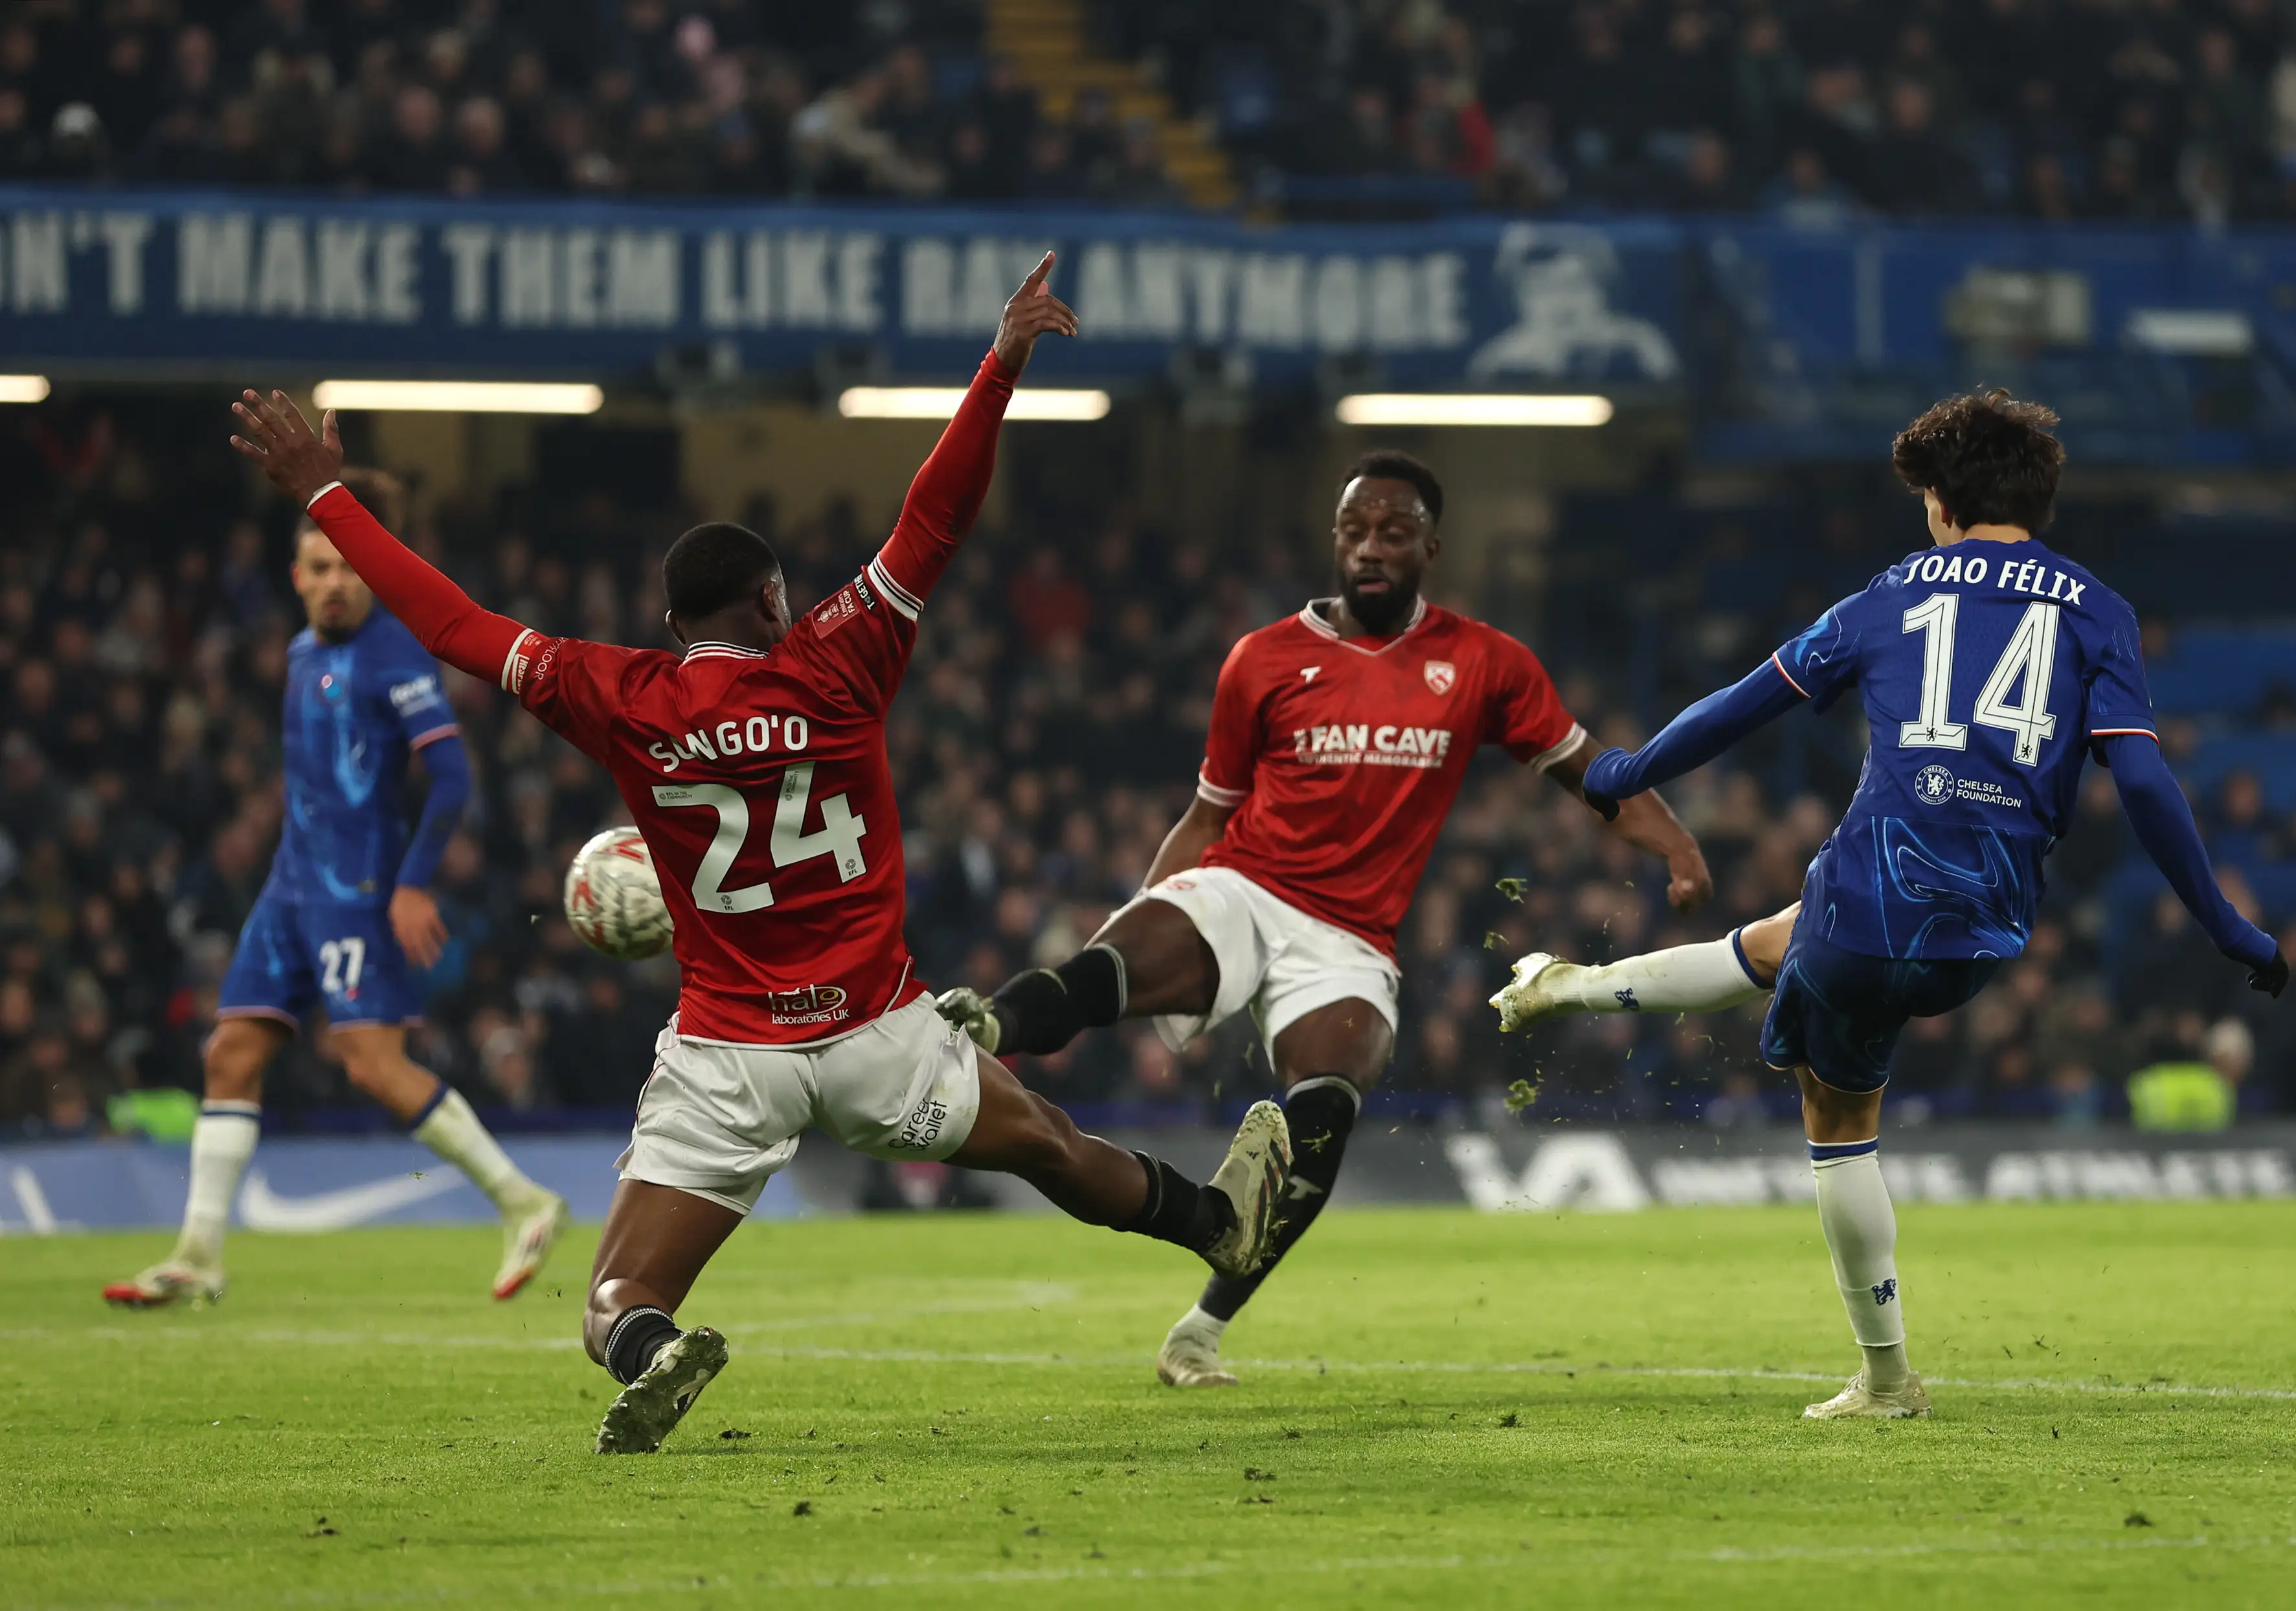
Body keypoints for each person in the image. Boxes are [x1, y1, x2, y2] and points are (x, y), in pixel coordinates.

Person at [225, 254, 1293, 1455]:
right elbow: (935, 516)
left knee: (611, 1302)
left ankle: (654, 1348)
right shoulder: (839, 659)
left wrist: (325, 493)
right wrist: (1000, 363)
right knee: (1048, 1144)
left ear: (677, 623)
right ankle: (1214, 1223)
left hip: (732, 1050)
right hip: (877, 1031)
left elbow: (455, 625)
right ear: (775, 601)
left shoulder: (621, 692)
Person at [1511, 390, 2288, 1419]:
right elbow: (2142, 784)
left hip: (1874, 895)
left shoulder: (1890, 595)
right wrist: (2228, 924)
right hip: (1986, 926)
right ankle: (1571, 988)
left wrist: (1624, 770)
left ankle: (1885, 1379)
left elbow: (1747, 702)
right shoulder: (2100, 609)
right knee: (1783, 939)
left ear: (1940, 499)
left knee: (1838, 1116)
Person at [935, 451, 1715, 1388]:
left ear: (1431, 546)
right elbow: (1209, 814)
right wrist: (1147, 905)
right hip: (1245, 885)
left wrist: (1676, 846)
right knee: (1103, 973)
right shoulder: (1260, 659)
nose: (1370, 549)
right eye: (1354, 532)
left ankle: (1200, 1330)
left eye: (1392, 533)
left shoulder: (1483, 662)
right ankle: (987, 1023)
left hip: (1350, 941)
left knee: (1322, 1122)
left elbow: (1591, 769)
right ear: (1335, 543)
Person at [104, 473, 568, 1310]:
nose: (332, 582)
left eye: (348, 567)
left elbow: (454, 776)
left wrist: (412, 885)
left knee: (373, 1067)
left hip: (356, 892)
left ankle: (523, 1200)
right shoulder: (300, 653)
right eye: (317, 568)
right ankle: (199, 1253)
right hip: (289, 889)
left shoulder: (392, 654)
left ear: (370, 574)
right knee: (230, 1055)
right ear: (295, 578)